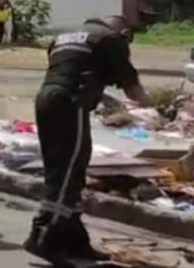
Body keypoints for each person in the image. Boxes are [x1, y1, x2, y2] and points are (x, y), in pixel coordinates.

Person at [24, 16, 149, 267]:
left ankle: (74, 240)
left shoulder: (66, 37)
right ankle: (43, 235)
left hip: (47, 99)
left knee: (67, 167)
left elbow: (75, 69)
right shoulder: (111, 40)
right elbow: (133, 88)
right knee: (69, 171)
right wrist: (153, 107)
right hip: (72, 103)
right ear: (121, 30)